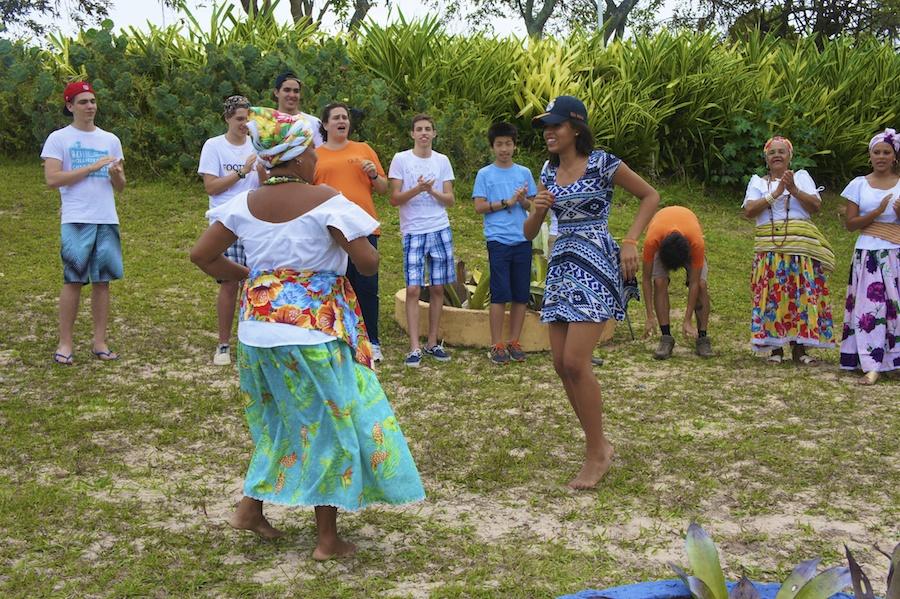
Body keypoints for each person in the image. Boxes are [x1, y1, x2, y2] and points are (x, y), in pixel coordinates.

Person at [189, 108, 425, 559]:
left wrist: (262, 280)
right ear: (298, 157)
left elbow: (202, 255)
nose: (317, 157)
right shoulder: (328, 200)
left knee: (279, 421)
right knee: (331, 427)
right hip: (312, 334)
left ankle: (249, 510)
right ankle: (327, 540)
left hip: (257, 332)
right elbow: (369, 263)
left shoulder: (243, 203)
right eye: (313, 150)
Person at [524, 96, 659, 489]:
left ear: (576, 128)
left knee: (576, 362)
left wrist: (632, 239)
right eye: (546, 127)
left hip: (596, 261)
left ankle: (596, 451)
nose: (549, 133)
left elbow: (650, 195)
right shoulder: (546, 172)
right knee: (560, 364)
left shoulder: (602, 163)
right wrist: (536, 209)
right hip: (561, 264)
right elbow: (529, 233)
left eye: (556, 126)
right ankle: (598, 444)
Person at [42, 81, 126, 365]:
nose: (90, 106)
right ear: (70, 106)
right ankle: (65, 342)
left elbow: (121, 186)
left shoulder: (110, 139)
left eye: (92, 101)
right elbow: (52, 179)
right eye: (83, 102)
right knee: (74, 280)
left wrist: (115, 173)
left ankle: (99, 342)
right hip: (77, 218)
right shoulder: (59, 138)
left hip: (106, 217)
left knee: (103, 283)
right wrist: (91, 167)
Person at [742, 136, 835, 364]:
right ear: (766, 158)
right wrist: (776, 192)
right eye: (772, 152)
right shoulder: (758, 182)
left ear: (789, 156)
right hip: (770, 251)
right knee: (772, 296)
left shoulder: (801, 178)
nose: (777, 155)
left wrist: (792, 189)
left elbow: (815, 206)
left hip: (799, 251)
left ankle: (800, 349)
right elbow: (750, 210)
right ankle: (775, 349)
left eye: (781, 151)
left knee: (800, 295)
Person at [314, 102, 389, 363]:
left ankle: (372, 340)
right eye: (335, 118)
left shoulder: (363, 149)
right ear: (325, 125)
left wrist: (373, 175)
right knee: (335, 284)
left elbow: (382, 188)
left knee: (367, 286)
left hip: (364, 227)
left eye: (345, 117)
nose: (341, 121)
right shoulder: (315, 154)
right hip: (330, 231)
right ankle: (341, 338)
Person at [388, 113, 456, 368]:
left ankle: (433, 342)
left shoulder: (442, 161)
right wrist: (417, 189)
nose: (424, 133)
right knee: (414, 288)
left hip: (440, 228)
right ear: (412, 134)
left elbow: (450, 200)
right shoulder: (401, 159)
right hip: (413, 230)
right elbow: (394, 198)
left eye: (428, 129)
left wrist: (431, 190)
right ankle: (414, 346)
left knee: (438, 288)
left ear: (434, 133)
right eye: (419, 129)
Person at [198, 95, 260, 366]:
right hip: (226, 222)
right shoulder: (214, 146)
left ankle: (252, 343)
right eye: (239, 119)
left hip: (256, 221)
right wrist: (243, 172)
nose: (244, 124)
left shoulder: (258, 145)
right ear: (227, 119)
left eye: (247, 119)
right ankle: (223, 344)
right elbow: (211, 187)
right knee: (229, 283)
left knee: (256, 282)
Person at [839, 128, 900, 385]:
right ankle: (871, 364)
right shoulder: (858, 184)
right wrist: (877, 211)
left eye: (887, 152)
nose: (881, 157)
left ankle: (893, 361)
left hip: (895, 254)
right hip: (868, 255)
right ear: (870, 156)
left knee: (895, 308)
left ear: (895, 157)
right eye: (877, 152)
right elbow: (851, 224)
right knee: (869, 310)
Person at [472, 122, 537, 364]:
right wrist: (506, 202)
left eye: (508, 144)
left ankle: (514, 341)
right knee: (500, 294)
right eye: (499, 144)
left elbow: (533, 207)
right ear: (492, 147)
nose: (504, 149)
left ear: (515, 146)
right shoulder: (485, 174)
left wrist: (522, 201)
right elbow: (479, 207)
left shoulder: (524, 173)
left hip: (522, 238)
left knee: (521, 294)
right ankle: (496, 343)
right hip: (498, 240)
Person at [641, 206, 713, 360]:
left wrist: (687, 320)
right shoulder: (652, 241)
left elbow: (693, 283)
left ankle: (702, 337)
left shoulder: (696, 243)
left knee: (701, 284)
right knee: (659, 282)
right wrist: (649, 315)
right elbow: (646, 279)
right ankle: (666, 337)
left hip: (688, 236)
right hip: (661, 236)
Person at [272, 72, 323, 148]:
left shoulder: (314, 123)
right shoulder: (267, 122)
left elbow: (321, 153)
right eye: (287, 90)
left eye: (296, 91)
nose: (292, 95)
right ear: (276, 92)